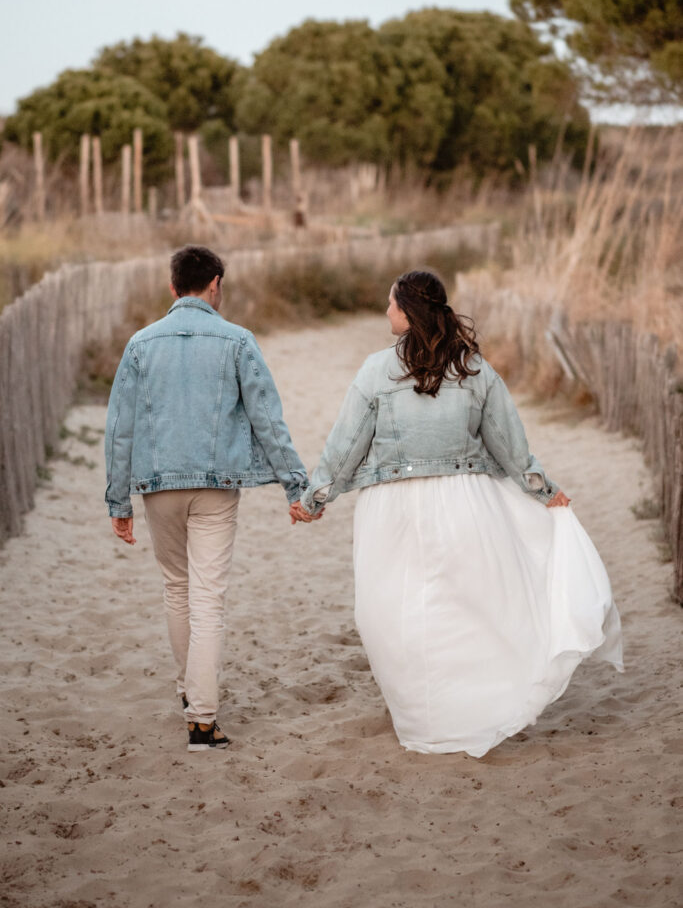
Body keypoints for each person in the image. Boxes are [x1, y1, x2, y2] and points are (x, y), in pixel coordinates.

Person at [296, 269, 623, 757]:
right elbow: (512, 447)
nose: (385, 312)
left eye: (390, 304)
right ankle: (454, 712)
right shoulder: (474, 368)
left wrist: (314, 499)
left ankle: (430, 721)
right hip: (463, 502)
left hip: (393, 507)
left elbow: (345, 448)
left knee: (392, 612)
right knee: (460, 606)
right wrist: (542, 489)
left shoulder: (377, 371)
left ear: (407, 311)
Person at [105, 245, 315, 752]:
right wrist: (296, 486)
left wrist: (118, 502)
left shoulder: (139, 344)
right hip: (217, 487)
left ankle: (188, 692)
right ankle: (202, 720)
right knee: (208, 599)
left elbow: (119, 429)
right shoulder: (239, 342)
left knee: (177, 590)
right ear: (215, 284)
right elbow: (268, 419)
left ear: (173, 286)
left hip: (158, 487)